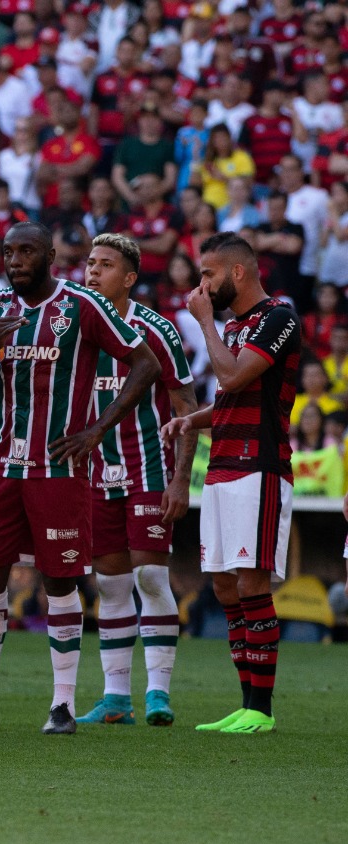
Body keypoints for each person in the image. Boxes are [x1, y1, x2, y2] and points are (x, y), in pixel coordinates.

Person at [0, 221, 159, 735]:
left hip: (61, 468)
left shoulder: (82, 306)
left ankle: (62, 705)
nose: (15, 260)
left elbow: (145, 363)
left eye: (27, 251)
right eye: (9, 252)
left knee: (60, 580)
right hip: (2, 464)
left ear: (49, 255)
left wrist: (96, 428)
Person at [162, 232, 301, 735]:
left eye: (208, 274)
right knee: (223, 585)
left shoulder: (278, 317)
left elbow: (234, 377)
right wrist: (190, 422)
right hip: (222, 465)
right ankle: (245, 701)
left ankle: (260, 709)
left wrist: (203, 323)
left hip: (258, 465)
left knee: (250, 581)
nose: (202, 284)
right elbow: (228, 397)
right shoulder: (238, 325)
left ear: (237, 273)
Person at [76, 234, 199, 728]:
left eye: (105, 265)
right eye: (89, 263)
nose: (92, 272)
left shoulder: (156, 329)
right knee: (110, 585)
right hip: (94, 476)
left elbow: (185, 406)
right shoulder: (77, 325)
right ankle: (115, 698)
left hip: (149, 470)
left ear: (128, 278)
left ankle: (159, 693)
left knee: (150, 576)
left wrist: (181, 480)